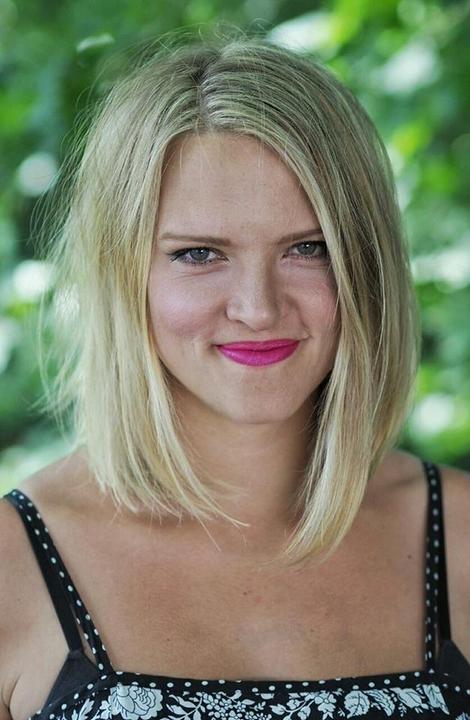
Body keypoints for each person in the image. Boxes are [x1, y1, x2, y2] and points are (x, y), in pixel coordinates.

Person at [0, 28, 469, 720]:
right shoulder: (13, 567)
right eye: (198, 254)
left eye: (308, 248)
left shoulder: (461, 534)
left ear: (365, 265)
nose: (258, 308)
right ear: (122, 274)